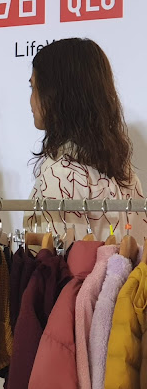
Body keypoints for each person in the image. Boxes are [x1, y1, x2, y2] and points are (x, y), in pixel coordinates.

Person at [25, 37, 147, 241]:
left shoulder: (60, 174)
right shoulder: (124, 172)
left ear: (56, 95)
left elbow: (56, 259)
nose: (31, 100)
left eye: (34, 87)